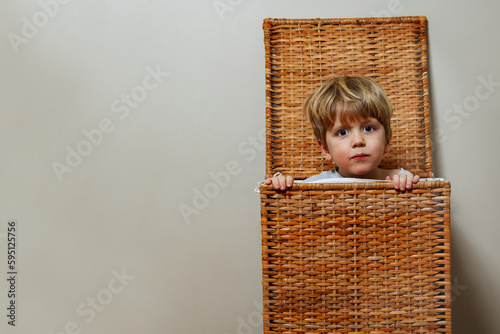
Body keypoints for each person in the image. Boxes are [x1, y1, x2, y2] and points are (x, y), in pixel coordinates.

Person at [265, 75, 420, 191]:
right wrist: (283, 187)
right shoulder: (315, 187)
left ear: (387, 140)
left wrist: (410, 190)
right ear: (325, 148)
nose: (358, 141)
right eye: (342, 132)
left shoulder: (401, 179)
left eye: (368, 128)